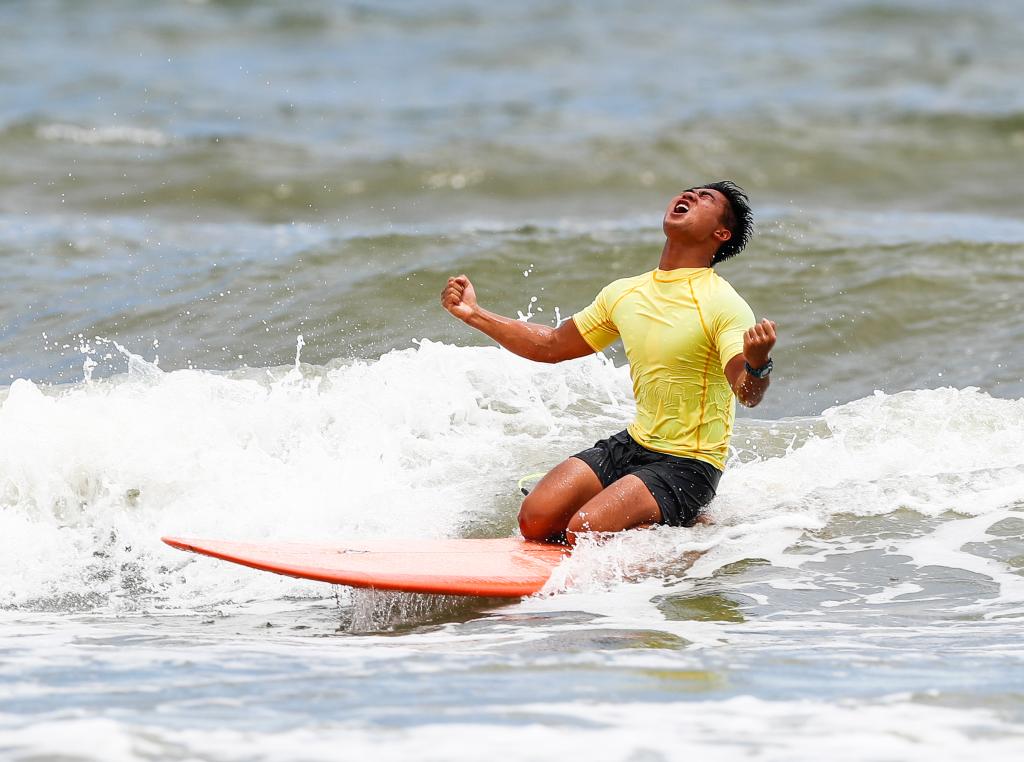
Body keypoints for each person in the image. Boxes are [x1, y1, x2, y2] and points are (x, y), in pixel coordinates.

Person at [441, 181, 775, 544]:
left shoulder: (723, 303)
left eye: (705, 198)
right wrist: (474, 314)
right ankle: (632, 514)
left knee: (583, 530)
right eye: (688, 192)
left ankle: (686, 533)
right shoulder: (625, 292)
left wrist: (757, 364)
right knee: (535, 520)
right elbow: (552, 345)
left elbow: (746, 393)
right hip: (633, 445)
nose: (689, 196)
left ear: (721, 233)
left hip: (689, 464)